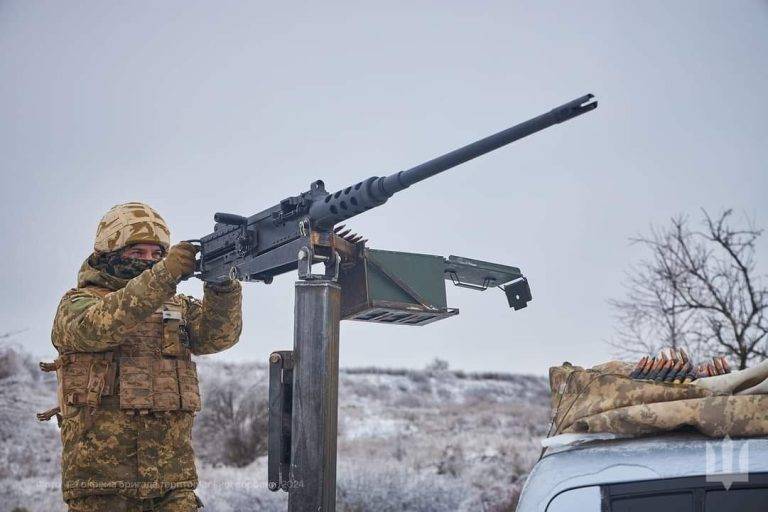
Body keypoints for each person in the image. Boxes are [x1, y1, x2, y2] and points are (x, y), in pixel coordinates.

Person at [40, 202, 242, 511]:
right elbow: (100, 327)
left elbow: (219, 336)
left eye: (157, 255)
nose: (149, 262)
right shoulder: (76, 304)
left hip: (172, 486)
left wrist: (222, 284)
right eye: (137, 253)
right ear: (109, 253)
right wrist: (165, 274)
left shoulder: (175, 308)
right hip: (102, 489)